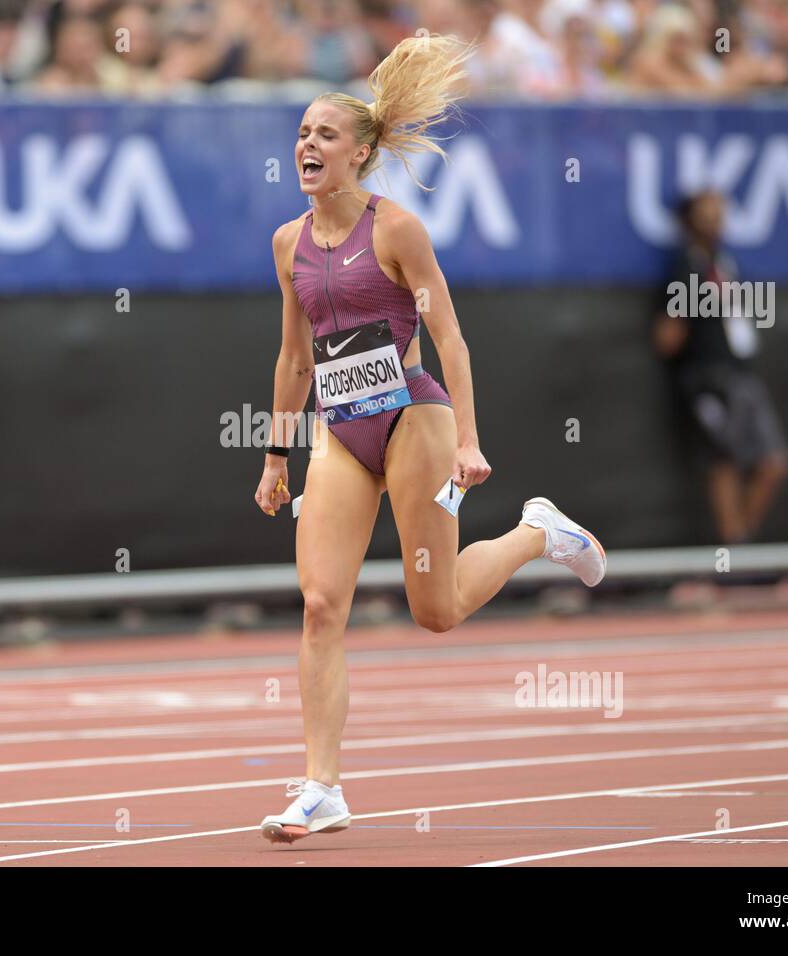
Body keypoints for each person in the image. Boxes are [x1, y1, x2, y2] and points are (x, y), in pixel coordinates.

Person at [252, 33, 606, 844]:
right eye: (302, 133)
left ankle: (536, 531)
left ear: (363, 153)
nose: (307, 144)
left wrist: (468, 441)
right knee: (319, 605)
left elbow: (451, 339)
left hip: (415, 417)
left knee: (435, 610)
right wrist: (274, 457)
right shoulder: (286, 244)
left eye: (325, 135)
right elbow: (293, 357)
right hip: (340, 433)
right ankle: (322, 787)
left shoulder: (399, 229)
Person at [651, 190, 788, 544]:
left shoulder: (725, 264)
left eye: (721, 211)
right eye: (707, 211)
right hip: (707, 381)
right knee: (723, 461)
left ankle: (739, 546)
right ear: (689, 221)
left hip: (742, 377)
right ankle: (733, 554)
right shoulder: (684, 266)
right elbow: (667, 337)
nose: (716, 218)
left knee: (774, 461)